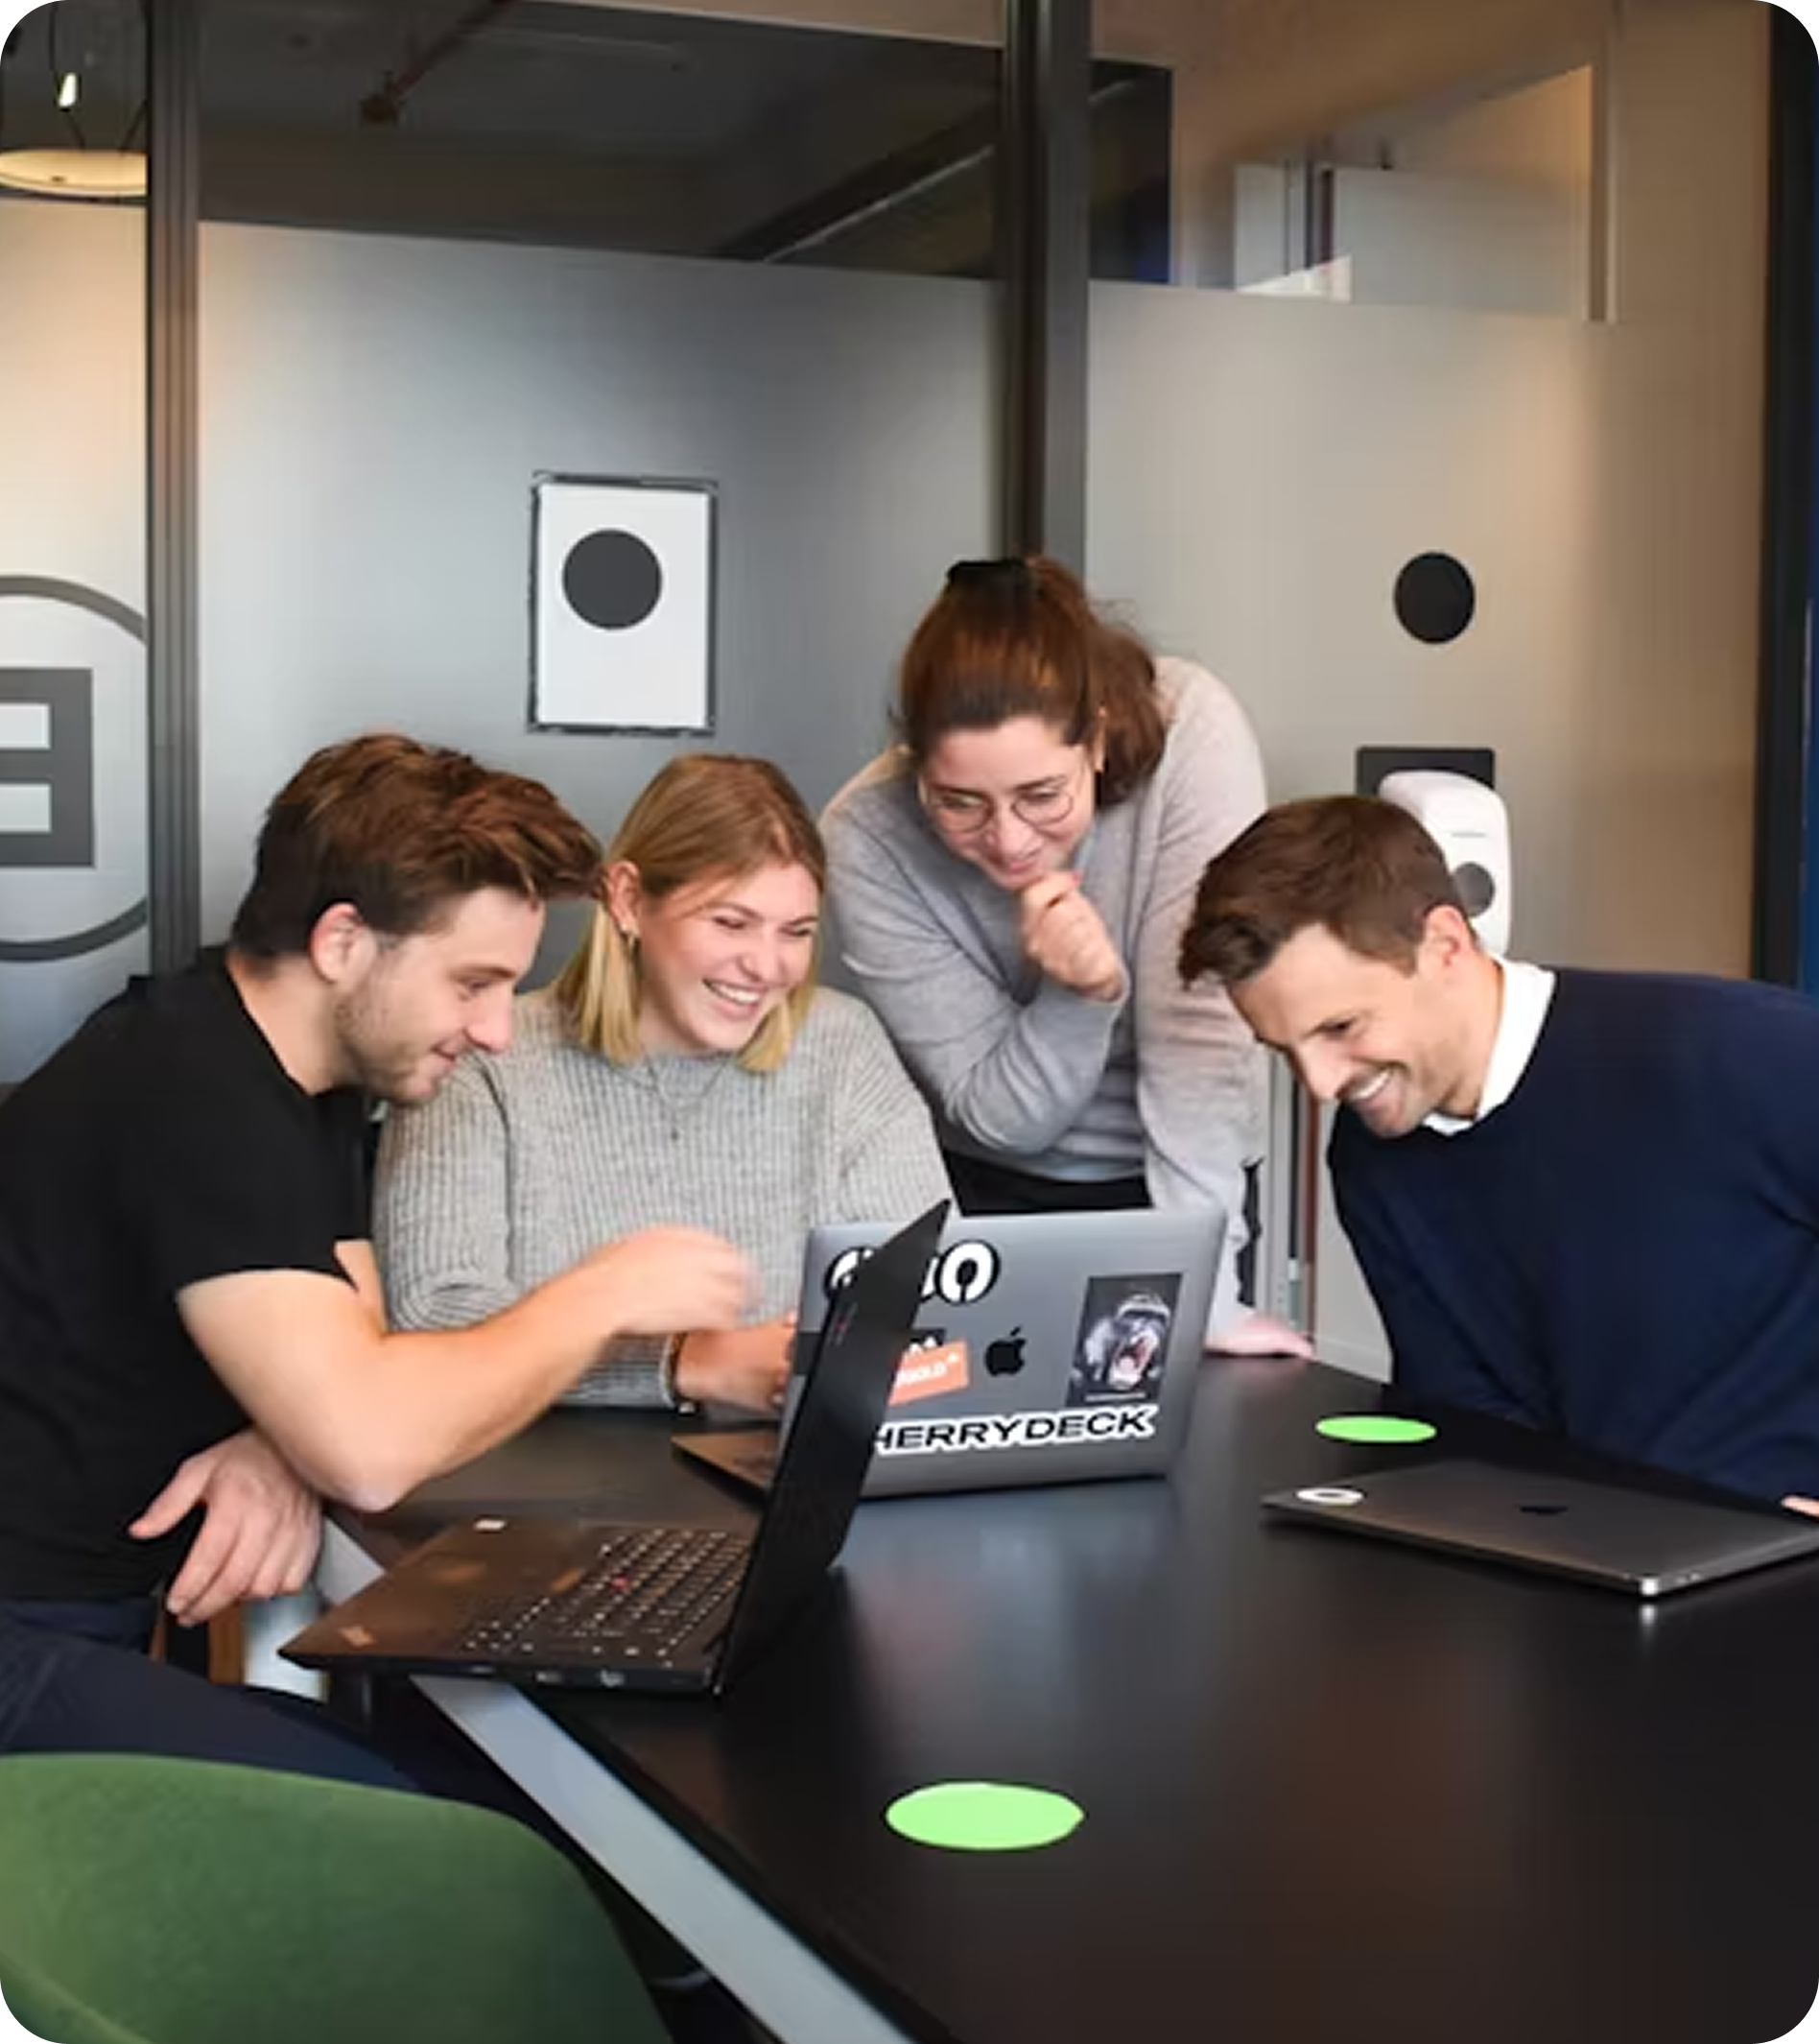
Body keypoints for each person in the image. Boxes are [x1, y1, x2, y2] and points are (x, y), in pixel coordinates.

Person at [0, 732, 753, 1781]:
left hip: (87, 1621)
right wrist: (603, 1293)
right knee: (442, 1834)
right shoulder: (190, 1087)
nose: (495, 1029)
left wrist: (282, 1436)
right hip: (25, 1640)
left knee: (456, 1781)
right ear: (345, 941)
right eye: (472, 982)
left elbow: (361, 1341)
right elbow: (371, 1444)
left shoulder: (299, 1078)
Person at [1177, 792, 1819, 1510]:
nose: (1321, 1085)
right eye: (1283, 1051)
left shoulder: (1747, 1054)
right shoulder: (1370, 1155)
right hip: (1601, 1570)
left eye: (1341, 1027)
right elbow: (1476, 1431)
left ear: (1445, 944)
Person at [822, 555, 1305, 1354]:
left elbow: (1200, 1039)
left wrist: (1205, 1298)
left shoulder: (1192, 731)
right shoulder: (867, 836)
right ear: (917, 768)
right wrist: (1080, 994)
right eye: (959, 803)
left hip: (1187, 1187)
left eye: (1042, 796)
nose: (1008, 840)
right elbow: (1003, 1115)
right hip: (987, 1192)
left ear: (1102, 737)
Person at [377, 752, 952, 1405]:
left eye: (796, 932)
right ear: (626, 899)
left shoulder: (842, 1047)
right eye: (730, 922)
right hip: (542, 1483)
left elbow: (941, 1298)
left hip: (776, 1473)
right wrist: (685, 1362)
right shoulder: (483, 1059)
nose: (766, 966)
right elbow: (432, 1319)